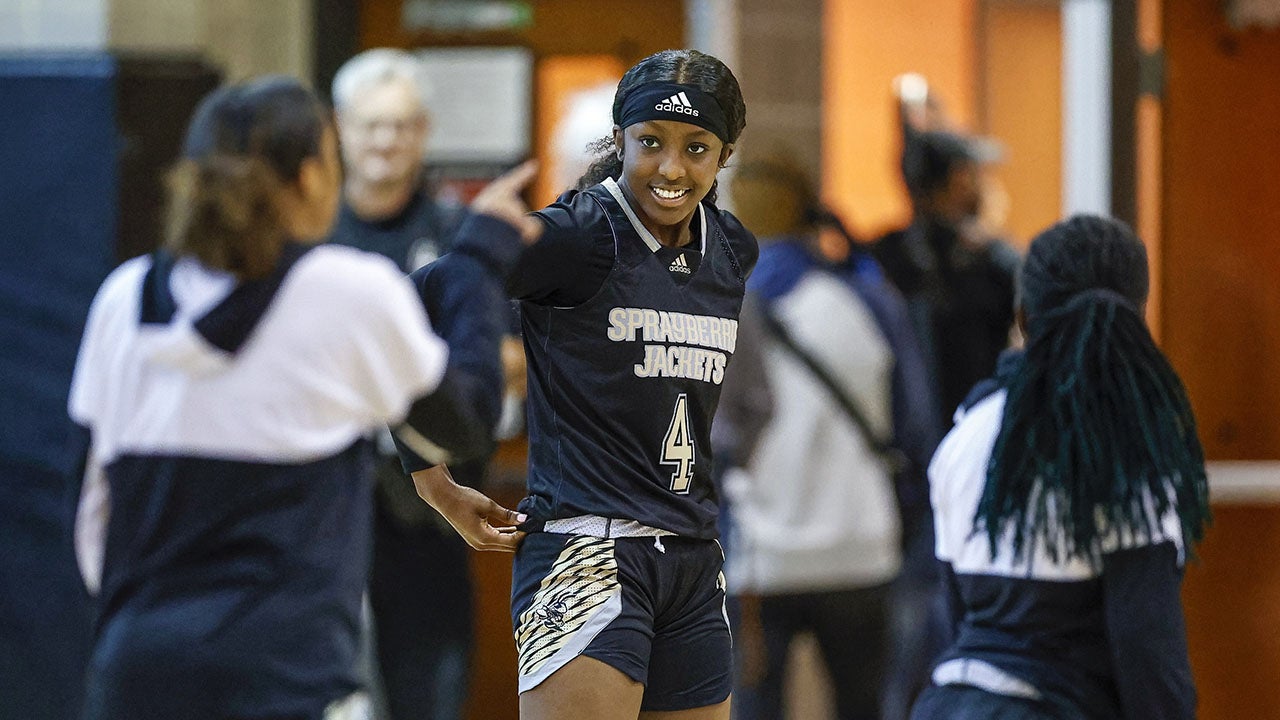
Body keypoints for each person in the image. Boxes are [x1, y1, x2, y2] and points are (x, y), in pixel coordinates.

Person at [68, 76, 536, 720]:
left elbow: (90, 505)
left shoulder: (124, 297)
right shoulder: (344, 292)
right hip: (285, 672)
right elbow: (462, 425)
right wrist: (479, 263)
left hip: (136, 668)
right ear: (314, 175)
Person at [416, 48, 755, 720]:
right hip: (587, 552)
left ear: (724, 154)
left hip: (692, 556)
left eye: (697, 147)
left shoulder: (732, 248)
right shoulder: (577, 236)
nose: (671, 167)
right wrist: (432, 477)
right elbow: (431, 293)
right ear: (620, 139)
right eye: (650, 142)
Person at [911, 215, 1211, 719]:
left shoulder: (967, 434)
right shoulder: (1125, 444)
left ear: (1024, 319)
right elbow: (1146, 649)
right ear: (1138, 317)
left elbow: (958, 616)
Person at [718, 157, 938, 720]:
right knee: (862, 705)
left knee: (755, 706)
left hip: (761, 550)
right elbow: (915, 428)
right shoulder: (868, 300)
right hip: (861, 543)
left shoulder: (723, 307)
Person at [327, 47, 505, 720]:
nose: (386, 140)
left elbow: (505, 354)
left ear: (424, 131)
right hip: (327, 497)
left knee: (426, 687)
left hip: (429, 503)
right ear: (341, 128)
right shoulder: (308, 232)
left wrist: (412, 374)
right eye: (372, 124)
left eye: (401, 125)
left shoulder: (455, 236)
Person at [873, 127, 1020, 432]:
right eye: (971, 173)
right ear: (957, 180)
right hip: (973, 429)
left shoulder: (882, 257)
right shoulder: (990, 263)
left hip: (912, 436)